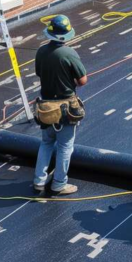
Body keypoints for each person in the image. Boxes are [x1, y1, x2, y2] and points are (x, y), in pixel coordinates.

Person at [33, 15, 87, 196]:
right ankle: (58, 184)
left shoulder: (41, 51)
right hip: (65, 109)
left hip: (46, 108)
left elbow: (39, 73)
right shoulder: (69, 53)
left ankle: (39, 180)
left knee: (46, 143)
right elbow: (82, 81)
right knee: (65, 146)